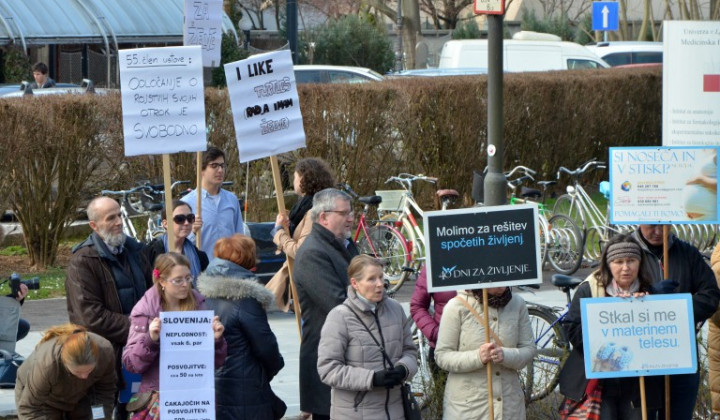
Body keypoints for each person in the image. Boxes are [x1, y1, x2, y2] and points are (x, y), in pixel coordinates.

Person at [65, 196, 153, 419]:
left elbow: (153, 296)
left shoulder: (135, 250)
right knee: (101, 413)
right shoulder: (83, 261)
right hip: (102, 357)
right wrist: (140, 328)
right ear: (94, 225)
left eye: (120, 215)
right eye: (110, 218)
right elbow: (90, 316)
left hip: (138, 352)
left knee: (135, 410)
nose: (119, 222)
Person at [558, 235, 662, 419]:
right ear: (608, 264)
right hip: (600, 383)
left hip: (637, 385)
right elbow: (572, 329)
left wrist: (644, 308)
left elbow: (659, 334)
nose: (625, 268)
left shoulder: (650, 291)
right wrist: (604, 333)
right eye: (618, 261)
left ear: (640, 263)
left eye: (631, 261)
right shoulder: (589, 289)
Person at [122, 253, 227, 418]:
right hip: (159, 401)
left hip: (195, 401)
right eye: (178, 280)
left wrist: (216, 340)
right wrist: (150, 340)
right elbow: (131, 364)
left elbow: (216, 363)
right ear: (162, 281)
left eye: (188, 278)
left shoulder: (200, 306)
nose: (185, 285)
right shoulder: (145, 311)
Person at [632, 224, 720, 419]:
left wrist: (677, 311)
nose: (658, 232)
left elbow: (711, 295)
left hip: (681, 353)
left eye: (664, 226)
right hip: (640, 360)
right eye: (652, 226)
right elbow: (608, 295)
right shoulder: (625, 251)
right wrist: (650, 298)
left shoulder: (687, 252)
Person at [197, 234, 286, 419]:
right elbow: (266, 347)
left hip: (211, 384)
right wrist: (274, 366)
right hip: (245, 387)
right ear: (247, 259)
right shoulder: (245, 299)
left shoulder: (200, 295)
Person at [318, 255, 417, 419]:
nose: (379, 284)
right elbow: (327, 369)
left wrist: (404, 368)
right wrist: (371, 379)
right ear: (355, 283)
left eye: (381, 277)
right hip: (354, 414)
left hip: (395, 411)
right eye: (371, 279)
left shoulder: (396, 309)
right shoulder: (339, 317)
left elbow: (410, 351)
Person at [293, 188, 359, 420]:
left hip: (345, 358)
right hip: (326, 363)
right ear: (323, 217)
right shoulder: (313, 253)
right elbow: (337, 303)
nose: (351, 218)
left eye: (350, 212)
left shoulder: (343, 245)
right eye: (344, 213)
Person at [435, 285, 536, 419]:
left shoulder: (517, 304)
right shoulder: (456, 306)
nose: (502, 284)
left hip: (509, 407)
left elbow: (529, 349)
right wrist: (478, 357)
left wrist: (506, 355)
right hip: (468, 409)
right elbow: (442, 355)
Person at [265, 157, 336, 311]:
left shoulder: (313, 211)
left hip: (310, 281)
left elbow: (301, 251)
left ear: (303, 178)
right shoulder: (306, 206)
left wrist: (279, 232)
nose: (294, 180)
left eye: (295, 176)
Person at [15, 323, 117, 419]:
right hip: (43, 401)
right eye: (78, 372)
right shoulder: (48, 364)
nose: (84, 376)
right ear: (65, 363)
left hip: (80, 396)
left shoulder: (105, 352)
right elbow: (29, 408)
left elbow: (104, 392)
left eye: (89, 371)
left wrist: (99, 418)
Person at [182, 146, 244, 260]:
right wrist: (193, 232)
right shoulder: (186, 204)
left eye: (222, 165)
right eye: (214, 166)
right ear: (201, 170)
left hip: (230, 269)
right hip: (204, 272)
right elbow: (179, 245)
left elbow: (239, 236)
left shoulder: (232, 200)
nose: (220, 170)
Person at [145, 200, 208, 279]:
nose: (186, 223)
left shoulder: (200, 257)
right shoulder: (151, 253)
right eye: (180, 219)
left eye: (190, 218)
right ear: (165, 224)